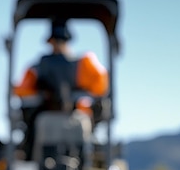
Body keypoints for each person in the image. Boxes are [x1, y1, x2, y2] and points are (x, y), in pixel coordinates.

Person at [13, 19, 109, 158]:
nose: (57, 45)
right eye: (55, 41)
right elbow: (23, 90)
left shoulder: (83, 64)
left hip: (74, 114)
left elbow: (101, 87)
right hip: (46, 115)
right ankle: (32, 159)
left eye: (59, 41)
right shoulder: (39, 66)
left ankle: (85, 159)